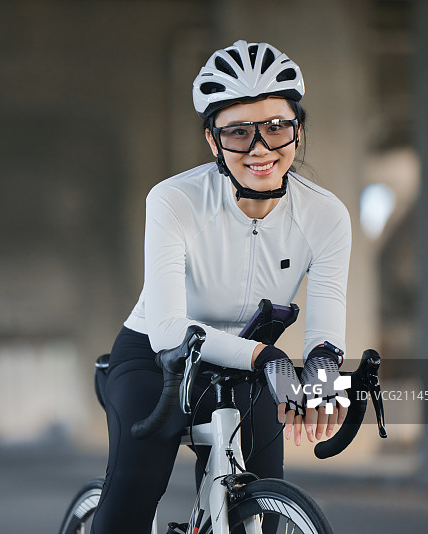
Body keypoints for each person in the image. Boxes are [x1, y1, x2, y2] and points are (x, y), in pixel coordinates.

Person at [90, 40, 352, 534]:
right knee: (133, 493)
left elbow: (326, 319)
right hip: (155, 359)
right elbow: (169, 329)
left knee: (258, 511)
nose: (260, 150)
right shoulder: (174, 200)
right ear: (213, 141)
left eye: (276, 127)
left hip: (248, 364)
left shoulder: (326, 215)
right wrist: (264, 357)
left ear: (298, 129)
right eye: (238, 132)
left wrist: (321, 371)